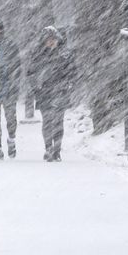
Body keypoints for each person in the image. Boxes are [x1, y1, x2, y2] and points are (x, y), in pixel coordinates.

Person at [27, 26, 77, 162]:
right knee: (48, 122)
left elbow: (73, 71)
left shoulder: (65, 54)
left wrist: (68, 84)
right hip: (44, 92)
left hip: (61, 92)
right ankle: (48, 148)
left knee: (58, 122)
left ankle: (57, 150)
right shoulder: (37, 54)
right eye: (48, 40)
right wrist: (36, 86)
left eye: (53, 39)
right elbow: (30, 73)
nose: (51, 42)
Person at [0, 17, 22, 160]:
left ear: (1, 29)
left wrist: (14, 83)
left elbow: (17, 66)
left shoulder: (10, 45)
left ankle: (11, 140)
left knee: (11, 118)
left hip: (8, 87)